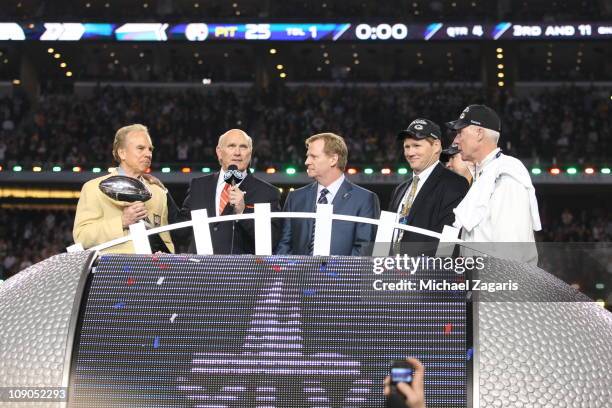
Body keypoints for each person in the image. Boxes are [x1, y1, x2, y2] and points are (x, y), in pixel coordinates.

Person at [447, 104, 541, 263]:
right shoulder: (484, 174)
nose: (456, 141)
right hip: (480, 282)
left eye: (460, 132)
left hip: (499, 284)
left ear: (479, 132)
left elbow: (511, 255)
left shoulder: (505, 176)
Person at [73, 124, 174, 253]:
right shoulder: (93, 189)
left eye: (150, 149)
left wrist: (165, 257)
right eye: (140, 148)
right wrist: (122, 221)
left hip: (151, 271)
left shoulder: (158, 193)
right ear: (122, 153)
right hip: (111, 270)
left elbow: (166, 241)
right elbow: (82, 237)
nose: (148, 154)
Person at [275, 132, 380, 256]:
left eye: (313, 156)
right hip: (298, 274)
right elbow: (285, 244)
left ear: (333, 160)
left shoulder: (364, 199)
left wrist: (332, 274)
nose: (306, 162)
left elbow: (364, 249)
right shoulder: (295, 198)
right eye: (308, 156)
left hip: (342, 274)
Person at [180, 129, 281, 254]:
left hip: (241, 271)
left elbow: (271, 241)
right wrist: (164, 193)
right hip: (201, 269)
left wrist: (243, 212)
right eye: (231, 146)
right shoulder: (199, 186)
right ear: (219, 152)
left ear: (250, 153)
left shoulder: (267, 193)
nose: (237, 153)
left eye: (243, 147)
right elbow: (182, 229)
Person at [389, 119, 469, 251]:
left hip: (427, 269)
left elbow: (447, 243)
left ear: (436, 146)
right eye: (407, 147)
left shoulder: (454, 184)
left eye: (416, 146)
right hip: (392, 268)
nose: (410, 153)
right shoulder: (400, 190)